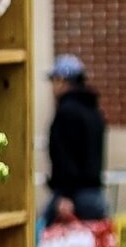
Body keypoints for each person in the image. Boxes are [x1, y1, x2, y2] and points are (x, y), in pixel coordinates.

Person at [46, 53, 109, 220]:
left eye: (54, 80)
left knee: (47, 240)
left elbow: (64, 157)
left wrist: (65, 195)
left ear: (62, 80)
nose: (53, 86)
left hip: (73, 199)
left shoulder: (66, 113)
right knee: (92, 245)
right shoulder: (94, 111)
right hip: (95, 196)